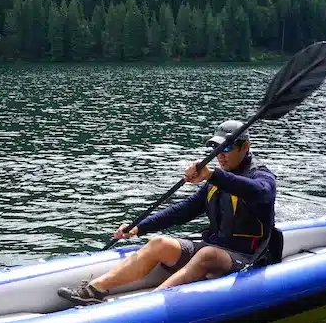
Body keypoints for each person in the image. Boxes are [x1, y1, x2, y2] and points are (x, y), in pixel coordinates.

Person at [57, 119, 277, 306]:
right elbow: (181, 211)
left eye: (226, 148)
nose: (220, 155)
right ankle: (93, 291)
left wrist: (211, 176)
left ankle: (148, 305)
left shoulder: (261, 177)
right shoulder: (216, 180)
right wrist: (140, 227)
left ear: (245, 147)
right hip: (215, 248)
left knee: (206, 255)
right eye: (216, 149)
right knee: (159, 243)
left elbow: (259, 192)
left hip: (248, 257)